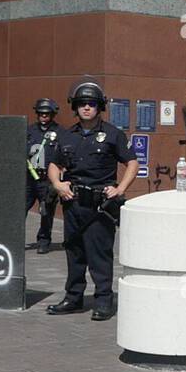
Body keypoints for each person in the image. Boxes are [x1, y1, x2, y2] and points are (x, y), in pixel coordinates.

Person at [46, 81, 139, 321]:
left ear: (100, 107)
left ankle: (103, 301)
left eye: (92, 104)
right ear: (75, 107)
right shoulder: (68, 135)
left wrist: (120, 188)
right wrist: (57, 184)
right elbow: (54, 165)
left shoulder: (112, 134)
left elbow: (132, 162)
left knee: (99, 255)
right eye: (82, 104)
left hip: (100, 206)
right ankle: (73, 297)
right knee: (74, 253)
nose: (87, 107)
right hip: (73, 203)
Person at [26, 98, 65, 254]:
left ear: (53, 114)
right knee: (20, 209)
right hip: (28, 178)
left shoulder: (60, 132)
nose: (43, 116)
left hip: (47, 179)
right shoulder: (29, 130)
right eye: (41, 113)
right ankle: (14, 239)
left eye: (47, 114)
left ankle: (44, 240)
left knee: (46, 211)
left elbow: (65, 152)